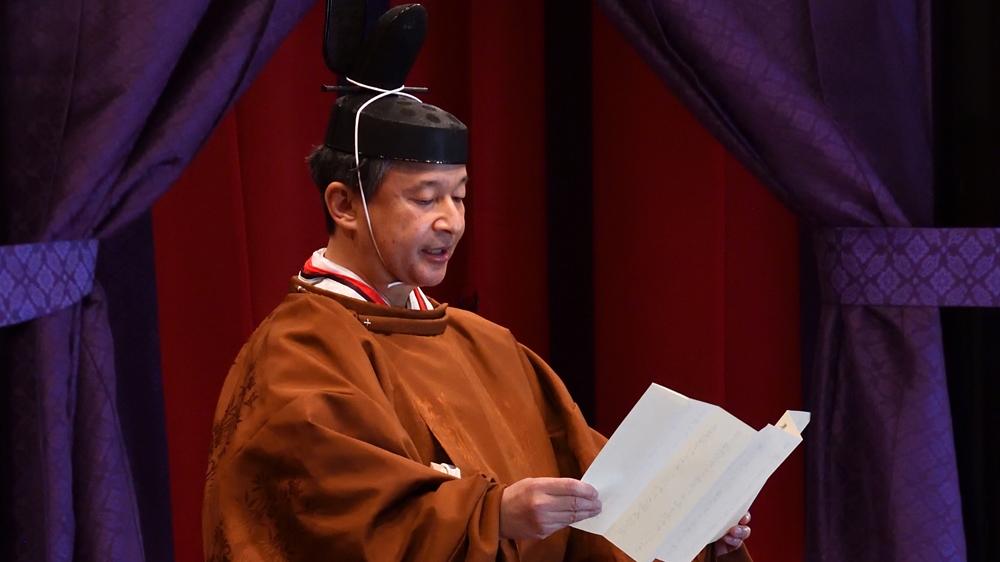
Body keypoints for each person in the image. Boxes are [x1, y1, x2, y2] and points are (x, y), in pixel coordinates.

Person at [202, 5, 753, 561]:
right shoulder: (299, 352)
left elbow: (596, 489)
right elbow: (333, 516)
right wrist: (494, 515)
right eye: (425, 199)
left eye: (460, 196)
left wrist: (694, 524)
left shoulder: (487, 346)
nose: (451, 222)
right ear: (344, 205)